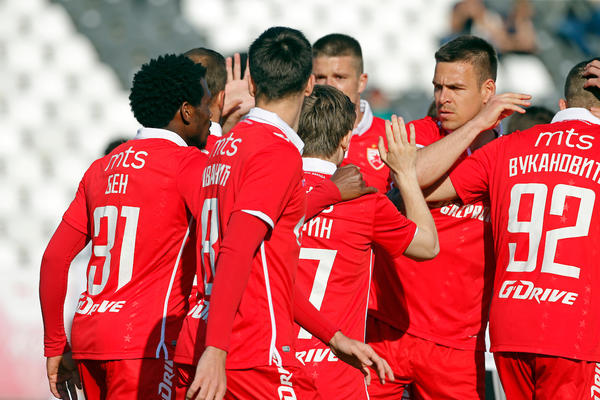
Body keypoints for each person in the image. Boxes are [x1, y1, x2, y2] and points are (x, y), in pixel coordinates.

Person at [174, 27, 392, 400]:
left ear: (253, 83)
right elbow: (237, 250)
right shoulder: (274, 151)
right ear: (309, 84)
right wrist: (217, 349)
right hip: (249, 351)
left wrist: (333, 337)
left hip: (202, 335)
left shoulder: (225, 145)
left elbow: (265, 273)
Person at [391, 57, 600, 400]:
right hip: (577, 330)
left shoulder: (508, 147)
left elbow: (412, 179)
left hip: (511, 325)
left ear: (563, 105)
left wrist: (477, 124)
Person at [366, 35, 531, 399]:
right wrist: (477, 125)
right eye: (438, 87)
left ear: (488, 91)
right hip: (388, 328)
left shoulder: (510, 153)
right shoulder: (418, 133)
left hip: (457, 342)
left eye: (456, 88)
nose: (443, 98)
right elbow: (410, 172)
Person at [40, 54, 212, 400]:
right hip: (145, 343)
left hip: (90, 337)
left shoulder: (100, 168)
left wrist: (56, 344)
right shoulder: (190, 165)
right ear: (186, 111)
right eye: (207, 104)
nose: (211, 116)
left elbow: (54, 259)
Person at [295, 84, 439, 400]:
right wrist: (406, 174)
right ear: (346, 138)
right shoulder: (364, 203)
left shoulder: (273, 188)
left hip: (271, 366)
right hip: (334, 373)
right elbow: (428, 245)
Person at [312, 33, 391, 193]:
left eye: (339, 77)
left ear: (361, 82)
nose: (328, 86)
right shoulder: (295, 136)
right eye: (320, 77)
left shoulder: (392, 138)